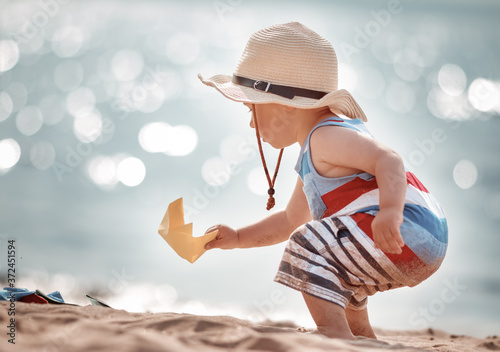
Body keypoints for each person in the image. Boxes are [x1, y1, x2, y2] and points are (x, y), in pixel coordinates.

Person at [198, 22, 448, 340]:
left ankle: (332, 332)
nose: (250, 122)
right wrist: (236, 237)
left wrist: (390, 212)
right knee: (336, 264)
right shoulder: (317, 152)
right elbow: (290, 219)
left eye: (252, 108)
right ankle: (361, 337)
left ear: (286, 107)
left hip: (408, 228)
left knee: (305, 244)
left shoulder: (326, 137)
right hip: (420, 238)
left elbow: (389, 159)